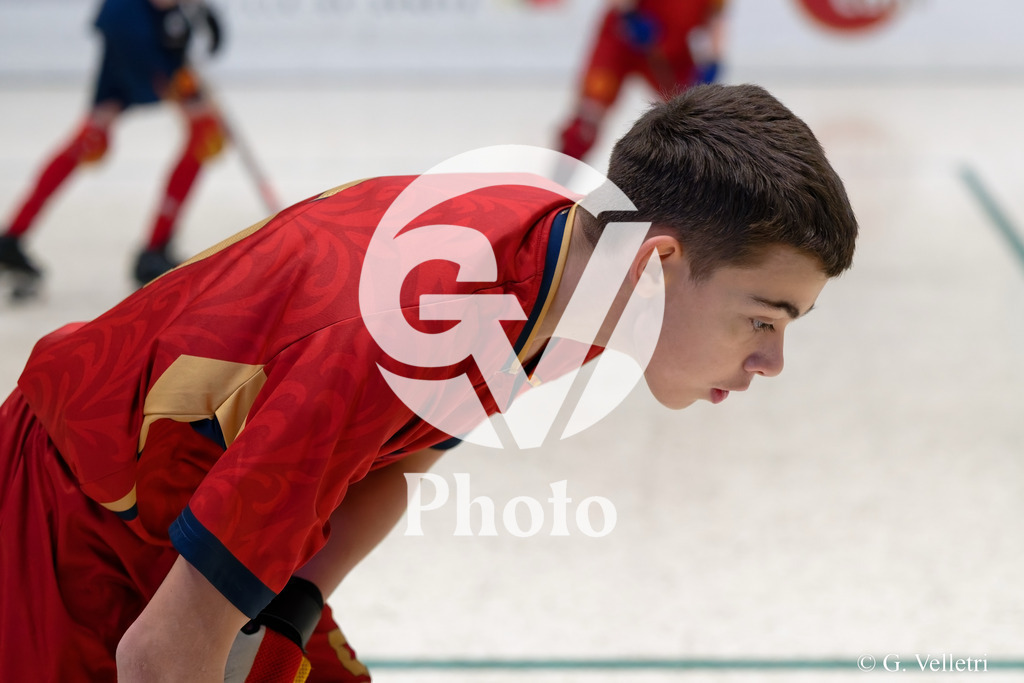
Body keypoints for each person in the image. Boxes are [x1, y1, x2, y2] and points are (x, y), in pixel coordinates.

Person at [0, 84, 858, 682]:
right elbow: (157, 656)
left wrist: (290, 615)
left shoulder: (584, 277)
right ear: (661, 266)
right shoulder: (405, 333)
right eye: (764, 317)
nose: (770, 362)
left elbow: (395, 460)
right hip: (76, 508)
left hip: (206, 502)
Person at [0, 0, 226, 300]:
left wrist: (187, 13)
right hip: (134, 33)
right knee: (199, 133)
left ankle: (13, 236)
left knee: (97, 135)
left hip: (142, 28)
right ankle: (154, 249)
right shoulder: (127, 19)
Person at [557, 0, 727, 162]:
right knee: (587, 121)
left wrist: (711, 63)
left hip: (670, 53)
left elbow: (716, 17)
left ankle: (693, 186)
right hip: (622, 38)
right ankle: (556, 187)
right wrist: (629, 15)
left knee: (696, 121)